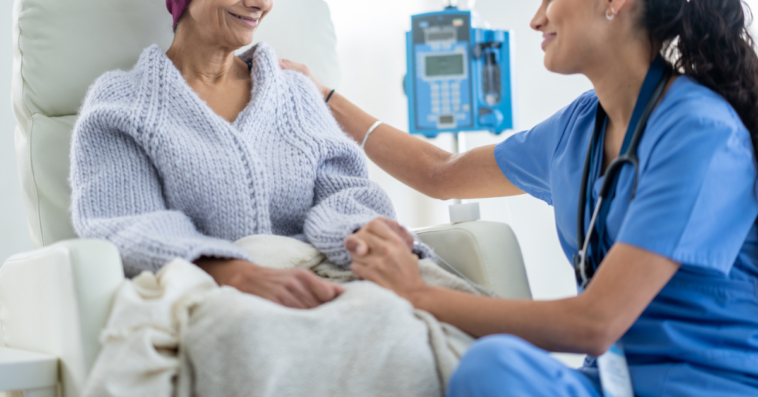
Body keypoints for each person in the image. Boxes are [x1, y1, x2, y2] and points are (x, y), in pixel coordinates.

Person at [282, 0, 758, 395]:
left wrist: (416, 292)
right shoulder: (580, 128)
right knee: (494, 368)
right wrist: (324, 98)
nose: (537, 18)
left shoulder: (700, 133)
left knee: (490, 362)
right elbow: (441, 172)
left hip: (703, 386)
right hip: (607, 383)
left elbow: (597, 323)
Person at [69, 0, 414, 310]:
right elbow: (126, 220)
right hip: (211, 295)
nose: (260, 4)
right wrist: (235, 273)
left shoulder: (293, 92)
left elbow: (345, 193)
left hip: (327, 281)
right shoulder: (123, 103)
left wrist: (362, 235)